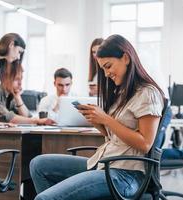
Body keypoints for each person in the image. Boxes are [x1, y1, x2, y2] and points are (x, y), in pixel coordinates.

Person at [30, 34, 165, 199]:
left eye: (108, 66)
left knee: (44, 198)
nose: (106, 74)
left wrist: (106, 119)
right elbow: (116, 137)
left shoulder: (147, 93)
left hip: (126, 175)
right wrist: (97, 121)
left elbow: (144, 143)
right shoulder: (123, 92)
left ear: (126, 58)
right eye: (103, 69)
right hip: (107, 163)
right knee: (38, 165)